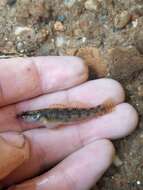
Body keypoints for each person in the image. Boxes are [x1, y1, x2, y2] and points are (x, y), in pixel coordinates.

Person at [0, 56, 138, 190]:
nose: (25, 117)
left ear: (35, 116)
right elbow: (52, 125)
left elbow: (52, 125)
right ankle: (102, 109)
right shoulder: (42, 116)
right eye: (25, 116)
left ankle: (103, 109)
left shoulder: (42, 116)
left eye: (26, 116)